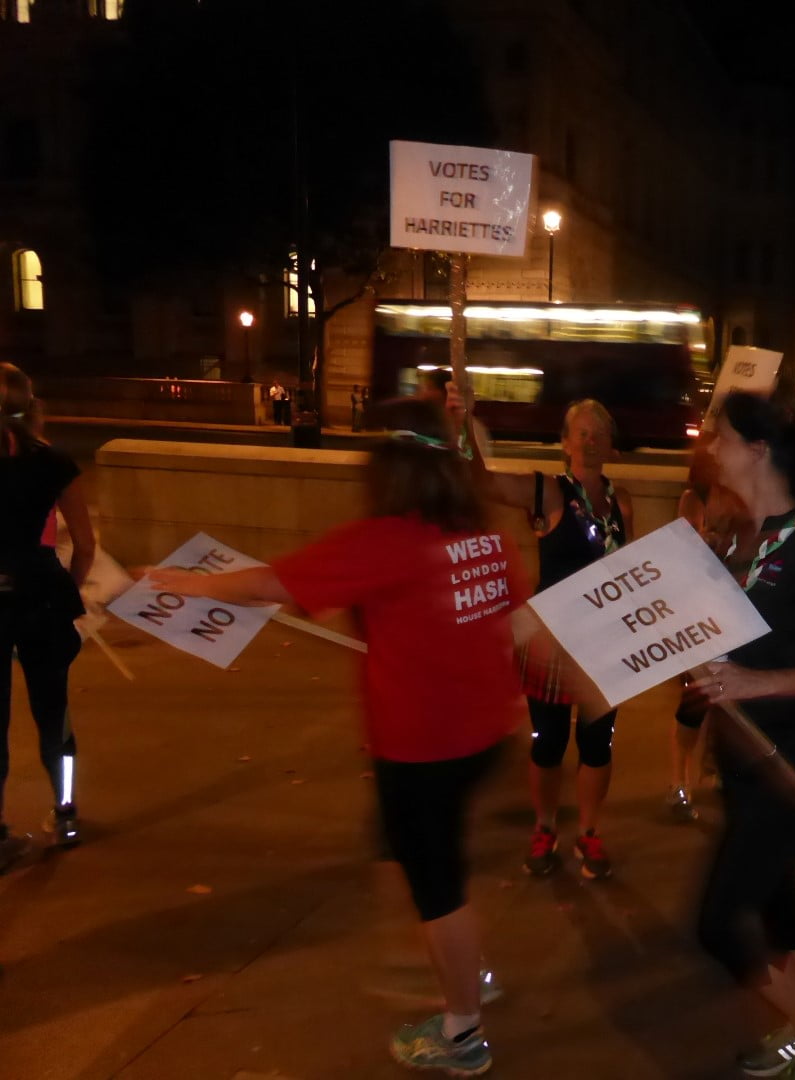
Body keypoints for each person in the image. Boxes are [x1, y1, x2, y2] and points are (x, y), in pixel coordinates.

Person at [150, 397, 524, 1076]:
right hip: (480, 734)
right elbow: (512, 621)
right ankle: (462, 974)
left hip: (422, 745)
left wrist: (185, 583)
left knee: (439, 885)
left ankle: (462, 1030)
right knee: (420, 856)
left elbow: (272, 581)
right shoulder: (485, 540)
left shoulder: (385, 541)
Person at [687, 391, 795, 1080]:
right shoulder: (747, 539)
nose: (711, 447)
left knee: (717, 924)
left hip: (791, 764)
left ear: (758, 451)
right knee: (782, 911)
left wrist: (752, 683)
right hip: (747, 758)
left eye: (722, 436)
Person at [454, 389, 632, 879]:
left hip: (602, 644)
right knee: (548, 743)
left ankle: (589, 833)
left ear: (611, 444)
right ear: (565, 444)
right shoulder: (549, 492)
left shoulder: (622, 503)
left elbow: (630, 573)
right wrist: (463, 422)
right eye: (582, 433)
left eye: (599, 434)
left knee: (598, 744)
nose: (591, 441)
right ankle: (545, 827)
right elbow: (479, 481)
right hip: (550, 642)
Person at [0, 363, 94, 872]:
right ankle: (65, 813)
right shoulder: (54, 462)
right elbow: (84, 545)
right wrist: (69, 590)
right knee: (53, 712)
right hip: (40, 594)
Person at [669, 431, 752, 822]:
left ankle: (718, 769)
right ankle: (679, 783)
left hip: (734, 608)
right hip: (699, 611)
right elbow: (680, 551)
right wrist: (703, 541)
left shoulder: (743, 499)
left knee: (729, 699)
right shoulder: (693, 499)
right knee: (694, 701)